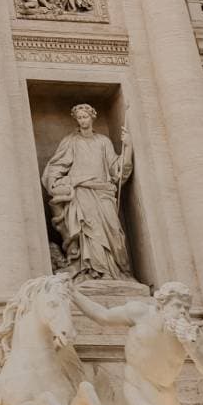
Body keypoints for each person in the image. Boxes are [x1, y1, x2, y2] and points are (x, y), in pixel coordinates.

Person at [70, 281, 203, 405]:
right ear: (161, 306)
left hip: (166, 394)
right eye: (178, 306)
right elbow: (103, 315)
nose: (183, 312)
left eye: (187, 308)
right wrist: (73, 293)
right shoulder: (139, 313)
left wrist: (194, 349)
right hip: (137, 385)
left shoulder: (191, 334)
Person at [42, 103, 132, 279]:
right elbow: (55, 167)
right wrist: (58, 184)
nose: (83, 120)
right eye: (80, 118)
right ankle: (94, 272)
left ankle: (115, 272)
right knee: (89, 232)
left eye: (85, 117)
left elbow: (117, 170)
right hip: (81, 192)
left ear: (92, 117)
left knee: (114, 231)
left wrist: (128, 147)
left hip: (103, 192)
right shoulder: (71, 141)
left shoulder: (103, 141)